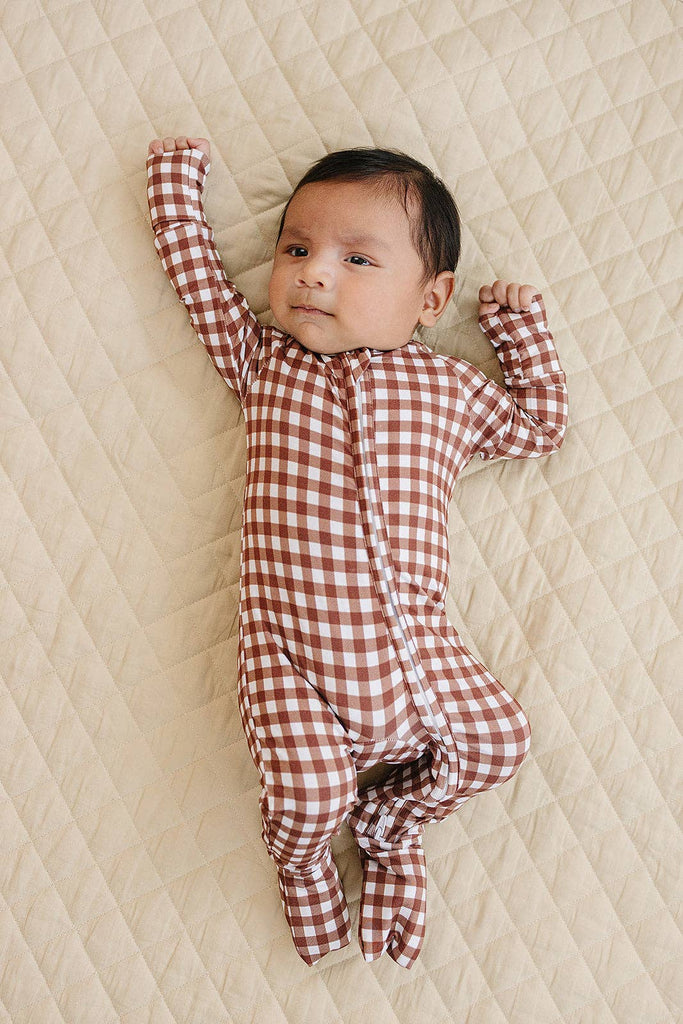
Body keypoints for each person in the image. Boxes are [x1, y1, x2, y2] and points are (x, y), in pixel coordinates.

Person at [146, 135, 569, 969]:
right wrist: (172, 187)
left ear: (430, 298)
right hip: (292, 660)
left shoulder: (449, 387)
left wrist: (517, 330)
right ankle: (303, 863)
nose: (312, 274)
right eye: (295, 250)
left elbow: (538, 425)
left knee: (500, 741)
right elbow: (196, 277)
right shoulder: (263, 359)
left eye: (356, 259)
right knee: (308, 795)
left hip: (420, 657)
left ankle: (391, 823)